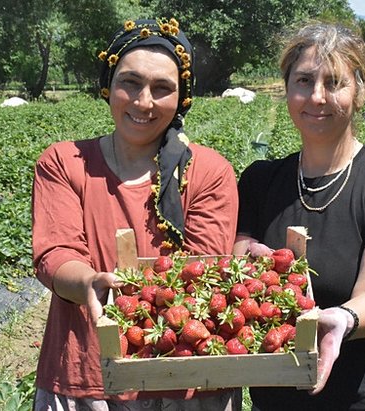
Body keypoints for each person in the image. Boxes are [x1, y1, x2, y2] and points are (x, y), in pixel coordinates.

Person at [31, 18, 241, 411]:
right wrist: (89, 283)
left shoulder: (209, 172)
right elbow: (55, 253)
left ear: (182, 98)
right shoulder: (66, 163)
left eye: (162, 89)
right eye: (130, 82)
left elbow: (204, 268)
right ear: (108, 85)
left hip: (189, 378)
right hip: (90, 375)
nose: (144, 101)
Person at [233, 21, 365, 410]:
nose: (316, 97)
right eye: (303, 81)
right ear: (286, 90)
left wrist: (342, 319)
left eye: (334, 83)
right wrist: (247, 256)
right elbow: (239, 250)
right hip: (280, 396)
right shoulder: (260, 181)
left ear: (360, 91)